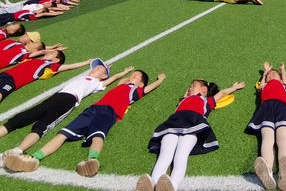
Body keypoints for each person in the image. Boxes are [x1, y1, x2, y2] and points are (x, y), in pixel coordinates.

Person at [5, 70, 166, 177]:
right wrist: (126, 75)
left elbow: (147, 89)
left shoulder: (135, 91)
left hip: (109, 112)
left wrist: (159, 80)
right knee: (63, 133)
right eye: (133, 73)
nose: (133, 75)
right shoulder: (123, 85)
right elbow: (120, 82)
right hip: (92, 109)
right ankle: (34, 158)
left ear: (141, 83)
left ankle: (92, 160)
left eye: (136, 75)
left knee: (98, 133)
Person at [0, 60, 133, 161]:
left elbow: (114, 78)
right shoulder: (83, 77)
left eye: (99, 69)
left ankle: (17, 151)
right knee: (21, 118)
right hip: (57, 96)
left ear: (103, 76)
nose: (95, 68)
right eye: (96, 67)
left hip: (69, 101)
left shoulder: (98, 84)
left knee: (41, 126)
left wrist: (123, 72)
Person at [136, 79, 245, 191]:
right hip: (172, 125)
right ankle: (152, 184)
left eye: (193, 85)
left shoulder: (207, 101)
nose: (189, 87)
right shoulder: (183, 101)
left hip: (193, 125)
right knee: (165, 155)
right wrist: (189, 91)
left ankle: (172, 187)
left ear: (204, 89)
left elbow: (222, 93)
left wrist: (234, 88)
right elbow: (185, 95)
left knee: (181, 155)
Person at [246, 62, 286, 191]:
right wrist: (265, 72)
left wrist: (283, 70)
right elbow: (262, 82)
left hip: (283, 108)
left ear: (281, 78)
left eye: (274, 74)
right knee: (267, 138)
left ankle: (284, 173)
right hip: (266, 108)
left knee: (282, 138)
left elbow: (285, 79)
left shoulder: (284, 85)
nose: (272, 76)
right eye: (270, 75)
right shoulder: (264, 86)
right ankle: (268, 172)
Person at [0, 51, 90, 102]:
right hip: (4, 74)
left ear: (56, 60)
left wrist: (86, 62)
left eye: (52, 53)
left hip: (13, 81)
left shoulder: (51, 66)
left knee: (1, 93)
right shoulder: (36, 60)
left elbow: (69, 67)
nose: (48, 53)